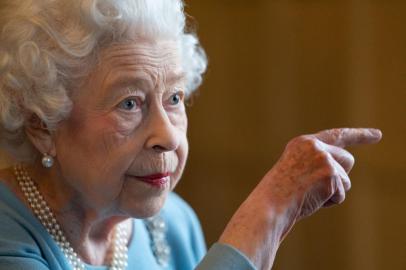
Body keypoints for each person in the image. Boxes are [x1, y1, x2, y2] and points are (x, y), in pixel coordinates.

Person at [0, 0, 382, 269]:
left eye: (175, 97)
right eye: (130, 104)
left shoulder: (174, 223)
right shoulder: (8, 236)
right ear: (42, 125)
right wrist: (269, 211)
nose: (167, 135)